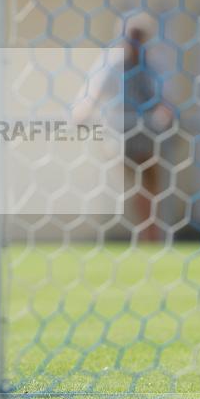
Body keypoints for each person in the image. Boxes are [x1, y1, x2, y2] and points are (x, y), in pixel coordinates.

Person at [72, 14, 173, 241]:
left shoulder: (154, 62)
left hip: (150, 132)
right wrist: (83, 111)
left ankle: (152, 234)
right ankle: (148, 233)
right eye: (130, 37)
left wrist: (165, 110)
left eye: (139, 37)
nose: (134, 43)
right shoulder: (113, 62)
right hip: (122, 133)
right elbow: (93, 90)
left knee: (151, 183)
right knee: (137, 185)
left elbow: (164, 96)